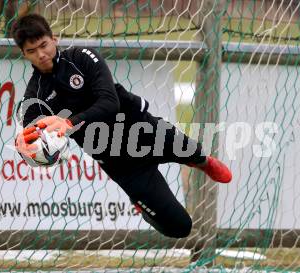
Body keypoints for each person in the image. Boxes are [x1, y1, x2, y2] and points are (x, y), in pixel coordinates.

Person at [12, 14, 232, 238]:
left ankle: (204, 163)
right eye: (32, 51)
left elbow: (110, 102)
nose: (41, 54)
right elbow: (28, 138)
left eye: (44, 45)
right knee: (180, 228)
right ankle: (143, 206)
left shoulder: (82, 57)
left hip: (143, 130)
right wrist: (26, 147)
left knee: (194, 152)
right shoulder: (36, 95)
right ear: (24, 54)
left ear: (54, 39)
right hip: (121, 163)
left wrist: (69, 122)